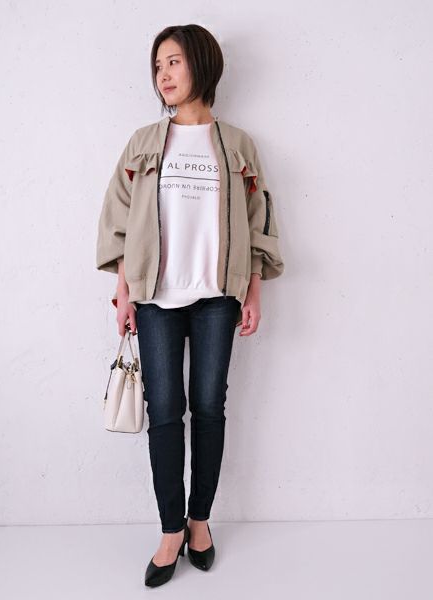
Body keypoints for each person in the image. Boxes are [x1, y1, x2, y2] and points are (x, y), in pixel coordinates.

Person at [96, 24, 285, 587]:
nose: (164, 74)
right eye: (158, 66)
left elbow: (258, 219)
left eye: (174, 62)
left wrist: (254, 289)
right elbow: (118, 220)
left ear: (202, 65)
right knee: (163, 412)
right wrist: (124, 291)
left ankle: (200, 522)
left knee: (208, 408)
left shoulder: (238, 145)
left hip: (217, 299)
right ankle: (170, 529)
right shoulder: (144, 143)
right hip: (156, 300)